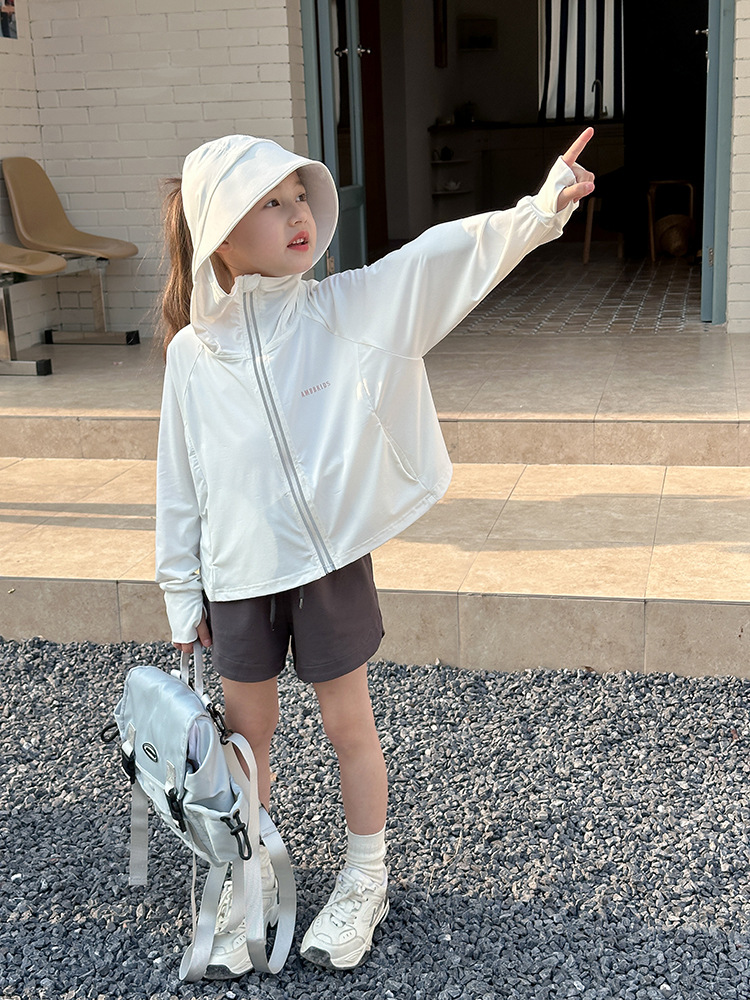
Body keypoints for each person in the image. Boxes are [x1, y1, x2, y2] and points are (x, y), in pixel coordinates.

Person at [155, 129, 595, 978]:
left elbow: (439, 261)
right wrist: (182, 591)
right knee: (246, 742)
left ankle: (365, 876)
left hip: (328, 568)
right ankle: (244, 875)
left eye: (299, 197)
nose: (298, 216)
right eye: (270, 204)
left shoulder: (343, 308)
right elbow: (181, 481)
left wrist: (540, 210)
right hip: (238, 577)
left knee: (348, 727)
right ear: (218, 233)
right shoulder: (190, 357)